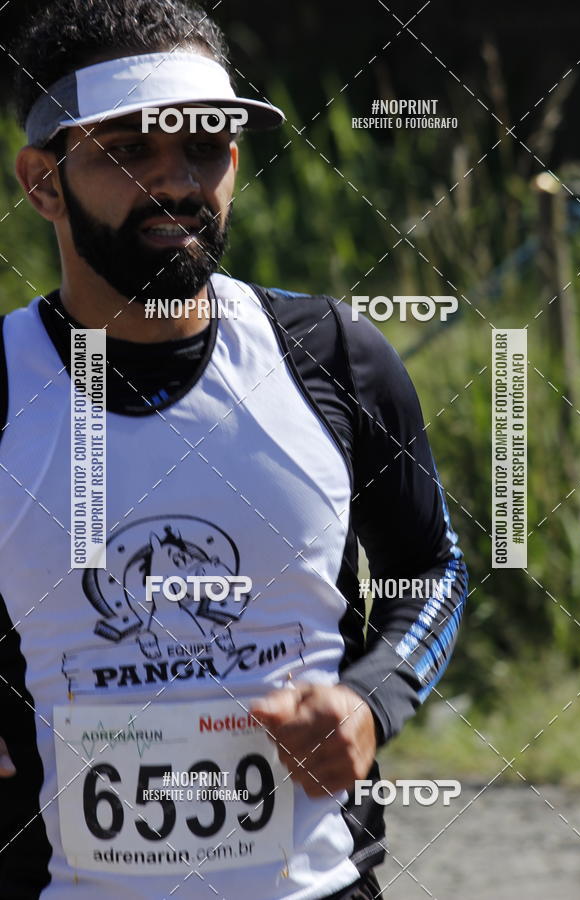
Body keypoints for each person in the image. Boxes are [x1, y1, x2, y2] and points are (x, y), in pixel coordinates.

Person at [0, 1, 468, 898]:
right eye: (129, 151)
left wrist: (369, 702)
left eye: (205, 146)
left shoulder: (332, 356)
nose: (176, 182)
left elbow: (433, 568)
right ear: (43, 182)